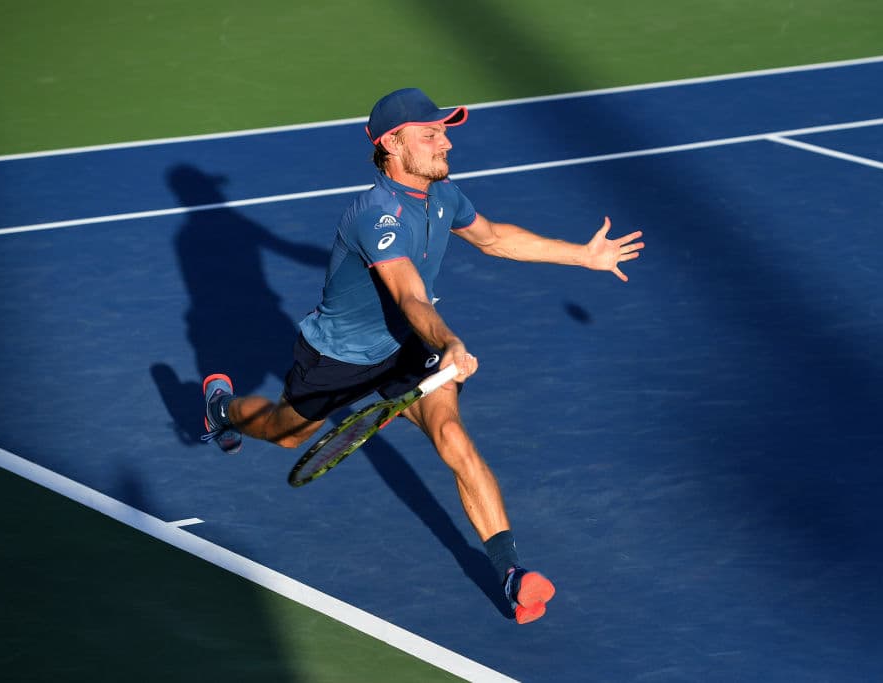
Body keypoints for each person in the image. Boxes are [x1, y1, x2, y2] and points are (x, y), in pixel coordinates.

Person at [202, 87, 644, 624]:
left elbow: (495, 239)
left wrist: (582, 256)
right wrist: (450, 343)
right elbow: (410, 297)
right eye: (430, 134)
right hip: (339, 357)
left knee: (453, 437)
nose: (446, 143)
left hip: (409, 350)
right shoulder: (375, 215)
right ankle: (221, 410)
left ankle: (510, 573)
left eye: (445, 132)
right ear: (392, 143)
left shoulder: (443, 195)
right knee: (284, 431)